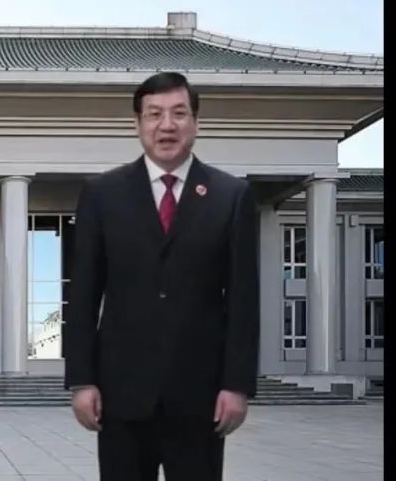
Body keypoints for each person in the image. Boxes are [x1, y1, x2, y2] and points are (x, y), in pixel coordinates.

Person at [64, 71, 260, 481]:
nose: (166, 125)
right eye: (154, 114)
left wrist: (237, 385)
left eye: (178, 113)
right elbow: (83, 294)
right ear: (137, 124)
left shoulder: (231, 196)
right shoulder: (102, 195)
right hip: (121, 396)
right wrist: (82, 380)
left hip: (201, 397)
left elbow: (244, 300)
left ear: (196, 122)